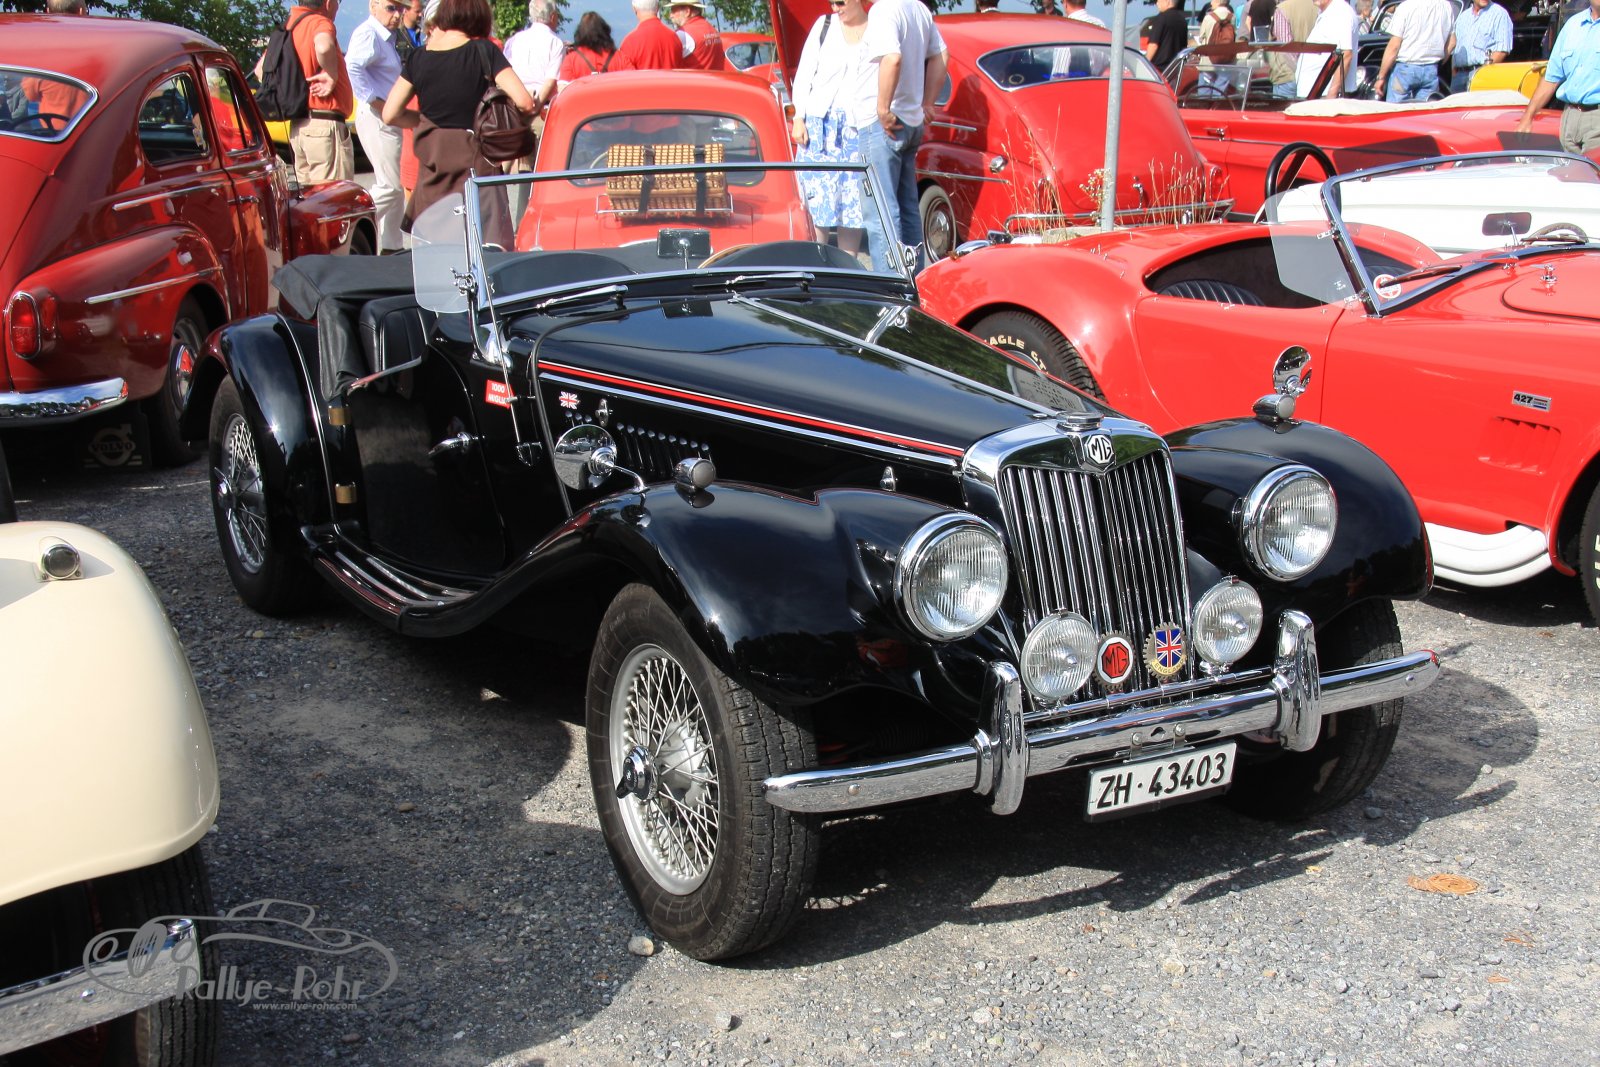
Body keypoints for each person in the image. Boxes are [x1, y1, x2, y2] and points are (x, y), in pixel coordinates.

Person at [382, 0, 535, 247]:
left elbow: (390, 114)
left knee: (438, 253)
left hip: (434, 171)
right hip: (477, 168)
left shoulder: (419, 57)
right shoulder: (484, 51)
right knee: (484, 252)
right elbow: (525, 102)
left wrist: (423, 121)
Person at [855, 0, 947, 271]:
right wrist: (928, 102)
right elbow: (942, 55)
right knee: (907, 208)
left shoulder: (884, 10)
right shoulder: (919, 8)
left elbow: (892, 58)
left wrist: (882, 108)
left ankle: (891, 285)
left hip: (883, 125)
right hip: (910, 119)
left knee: (882, 212)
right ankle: (914, 279)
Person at [793, 0, 871, 258]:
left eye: (840, 2)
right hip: (818, 128)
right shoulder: (824, 25)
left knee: (852, 206)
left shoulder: (876, 29)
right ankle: (813, 265)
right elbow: (804, 74)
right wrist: (798, 117)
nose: (835, 7)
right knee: (816, 205)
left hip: (855, 130)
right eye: (832, 2)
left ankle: (847, 269)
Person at [348, 0, 408, 253]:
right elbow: (352, 66)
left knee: (395, 183)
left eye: (401, 9)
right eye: (391, 8)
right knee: (391, 186)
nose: (397, 14)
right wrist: (375, 101)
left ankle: (392, 246)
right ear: (373, 6)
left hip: (387, 116)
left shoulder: (386, 37)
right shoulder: (369, 33)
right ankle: (349, 225)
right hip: (377, 116)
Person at [278, 0, 356, 183]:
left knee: (310, 196)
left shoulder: (289, 26)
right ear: (328, 3)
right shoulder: (319, 22)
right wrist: (331, 74)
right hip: (324, 126)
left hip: (298, 127)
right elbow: (323, 46)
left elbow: (260, 69)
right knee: (333, 194)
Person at [504, 0, 563, 217]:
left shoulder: (515, 40)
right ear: (553, 17)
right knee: (540, 167)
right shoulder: (555, 43)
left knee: (516, 166)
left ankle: (508, 215)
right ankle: (532, 217)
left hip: (514, 104)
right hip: (540, 108)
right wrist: (534, 105)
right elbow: (550, 80)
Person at [1516, 0, 1600, 153]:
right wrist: (1528, 117)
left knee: (1593, 168)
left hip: (1597, 117)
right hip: (1569, 119)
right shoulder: (1572, 25)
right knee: (1570, 169)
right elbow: (1551, 78)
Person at [1372, 0, 1451, 101]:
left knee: (1396, 109)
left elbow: (1394, 46)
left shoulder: (1406, 7)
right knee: (1424, 109)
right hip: (1431, 69)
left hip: (1405, 69)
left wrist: (1381, 77)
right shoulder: (1446, 6)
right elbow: (1452, 42)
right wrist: (1439, 62)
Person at [1446, 0, 1513, 94]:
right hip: (1459, 76)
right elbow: (1456, 46)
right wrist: (1454, 70)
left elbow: (1501, 50)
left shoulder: (1499, 14)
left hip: (1483, 76)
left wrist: (1482, 73)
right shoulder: (1463, 17)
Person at [1296, 0, 1359, 98]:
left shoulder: (1340, 12)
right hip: (1316, 94)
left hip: (1324, 95)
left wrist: (1332, 94)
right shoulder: (1330, 12)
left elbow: (1346, 55)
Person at [559, 11, 634, 88]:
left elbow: (563, 88)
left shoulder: (571, 60)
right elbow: (633, 82)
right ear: (605, 32)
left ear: (579, 34)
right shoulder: (620, 58)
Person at [618, 0, 685, 70]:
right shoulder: (675, 38)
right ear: (658, 8)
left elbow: (626, 73)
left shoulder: (629, 42)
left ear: (634, 9)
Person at [670, 1, 730, 70]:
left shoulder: (682, 34)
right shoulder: (712, 29)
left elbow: (668, 65)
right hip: (714, 76)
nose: (671, 15)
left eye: (673, 11)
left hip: (691, 77)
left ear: (687, 11)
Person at [1145, 0, 1189, 70]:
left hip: (1159, 68)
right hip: (1176, 68)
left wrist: (1145, 63)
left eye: (1159, 1)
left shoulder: (1161, 18)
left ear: (1167, 2)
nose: (1157, 3)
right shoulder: (1182, 20)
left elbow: (1153, 45)